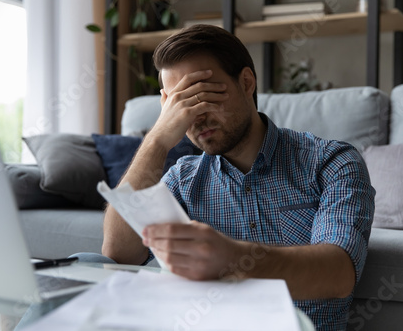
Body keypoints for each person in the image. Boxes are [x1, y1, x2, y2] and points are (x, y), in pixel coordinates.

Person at [101, 24, 375, 330]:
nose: (196, 116)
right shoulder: (183, 179)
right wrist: (158, 139)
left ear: (246, 82)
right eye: (180, 104)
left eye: (203, 95)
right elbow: (119, 253)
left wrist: (232, 259)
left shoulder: (331, 163)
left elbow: (338, 274)